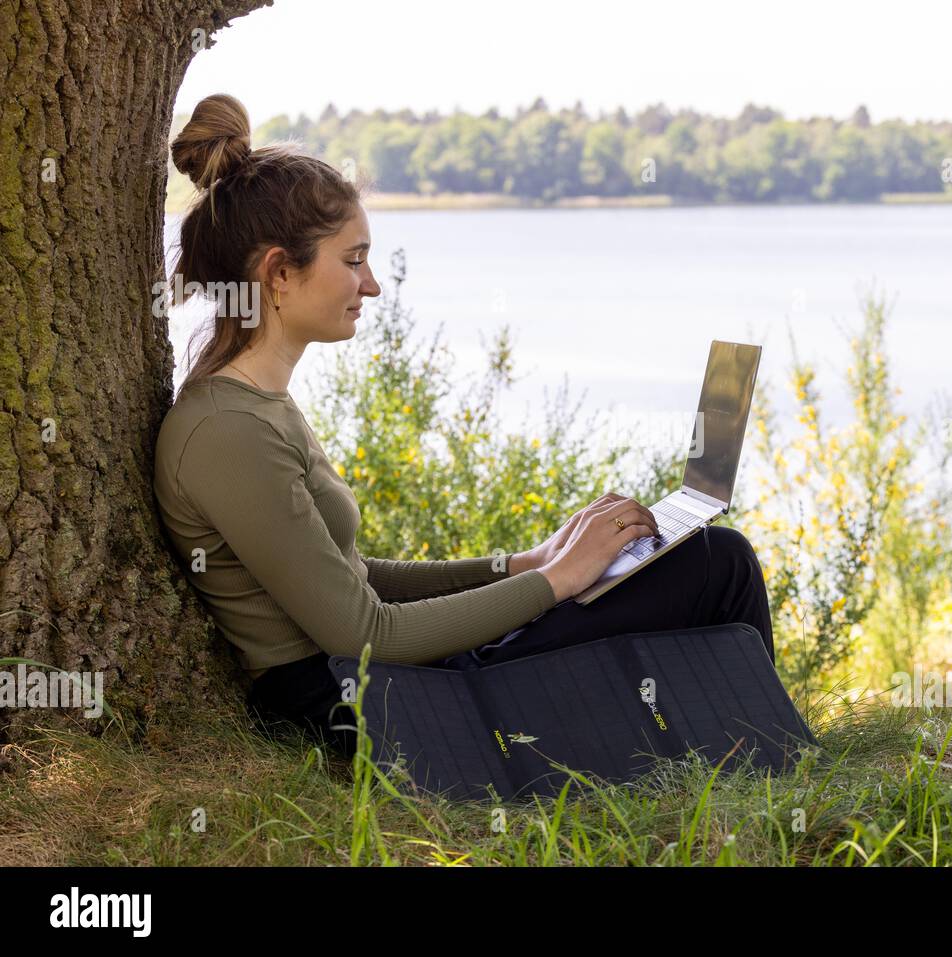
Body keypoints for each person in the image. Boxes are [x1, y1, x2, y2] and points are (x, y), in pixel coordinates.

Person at [152, 93, 775, 757]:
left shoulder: (259, 405)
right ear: (280, 273)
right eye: (353, 260)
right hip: (368, 710)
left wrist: (524, 563)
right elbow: (364, 633)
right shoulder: (227, 431)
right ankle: (763, 753)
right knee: (716, 564)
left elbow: (357, 578)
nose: (372, 287)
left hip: (389, 683)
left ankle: (735, 743)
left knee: (694, 561)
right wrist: (556, 582)